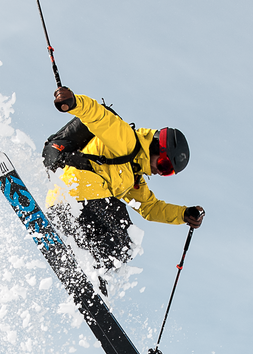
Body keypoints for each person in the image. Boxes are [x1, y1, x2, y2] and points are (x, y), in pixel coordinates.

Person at [44, 86, 204, 280]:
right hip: (77, 193)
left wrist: (183, 214)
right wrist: (75, 102)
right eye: (163, 164)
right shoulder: (126, 140)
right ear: (156, 146)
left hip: (68, 207)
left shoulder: (133, 178)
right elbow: (98, 116)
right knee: (123, 234)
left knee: (121, 249)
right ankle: (91, 270)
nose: (160, 172)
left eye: (167, 172)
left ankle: (91, 277)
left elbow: (150, 208)